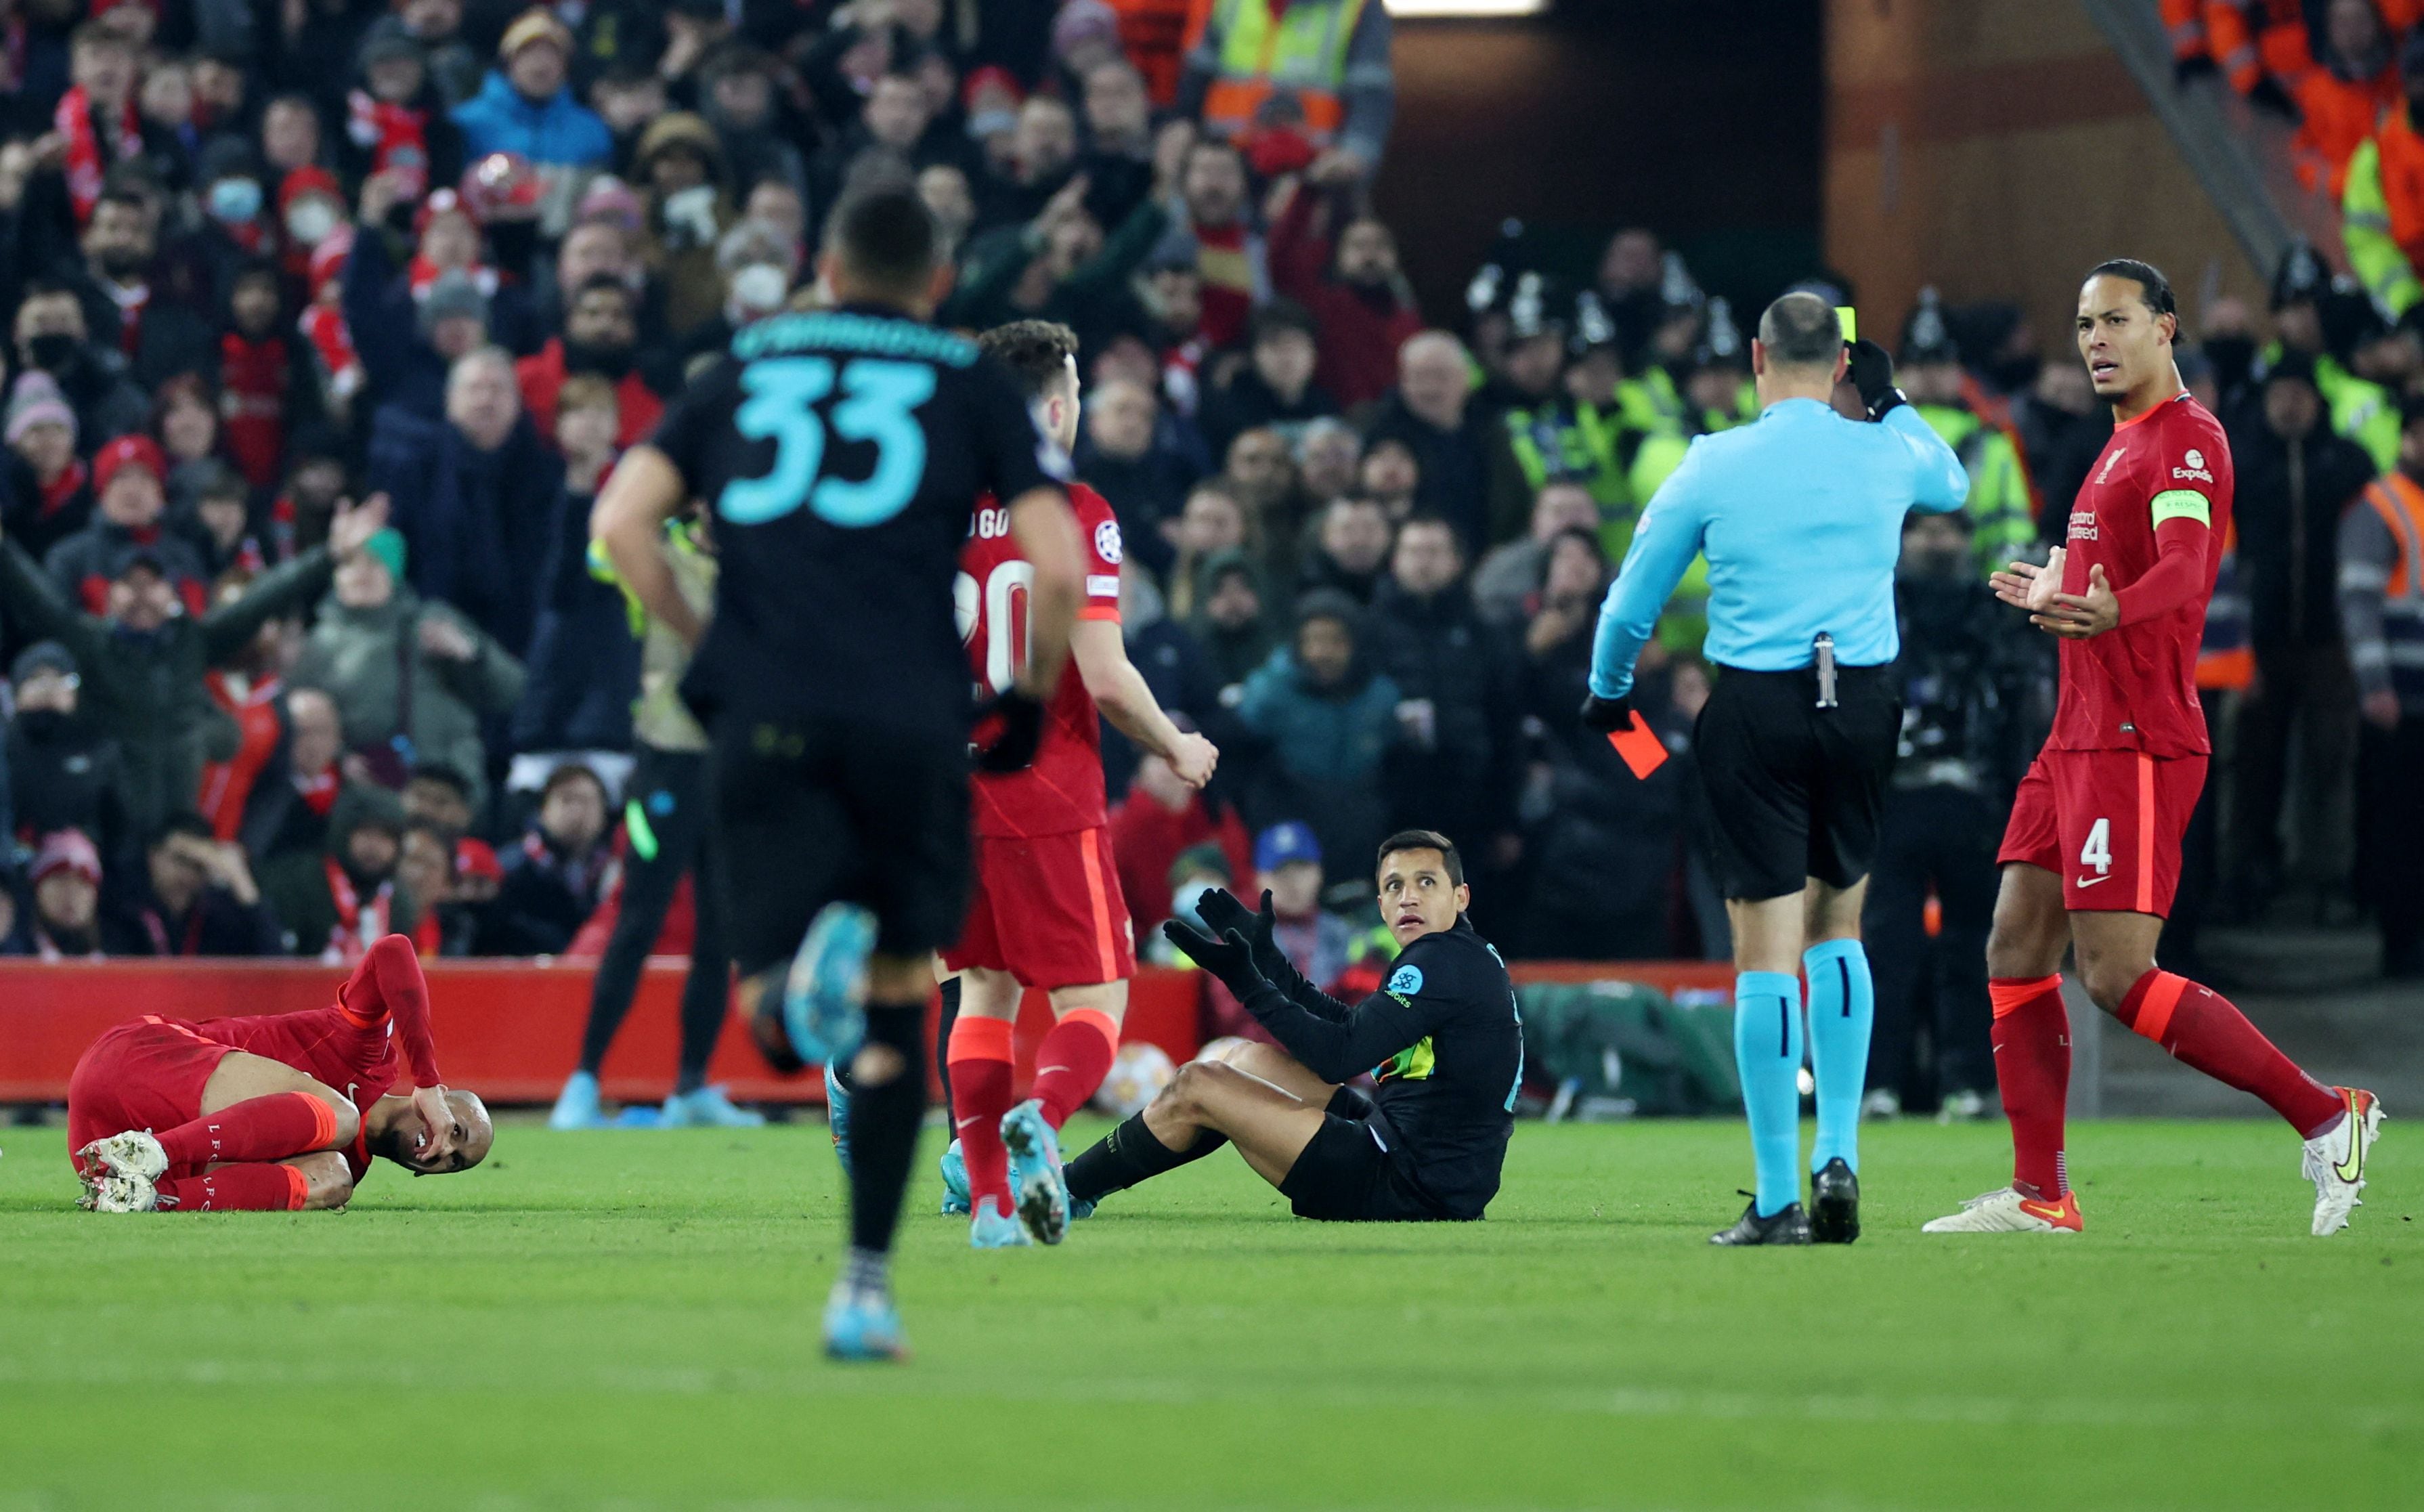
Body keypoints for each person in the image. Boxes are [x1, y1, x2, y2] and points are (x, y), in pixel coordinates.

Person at [591, 182, 1085, 1360]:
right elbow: (1055, 566)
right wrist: (1022, 701)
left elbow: (621, 526)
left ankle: (789, 992)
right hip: (911, 718)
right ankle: (864, 1288)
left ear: (822, 267)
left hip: (766, 714)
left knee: (771, 1006)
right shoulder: (965, 381)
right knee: (903, 1001)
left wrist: (713, 649)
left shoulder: (739, 370)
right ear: (938, 281)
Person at [1929, 259, 2383, 1239]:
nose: (2096, 340)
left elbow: (2184, 571)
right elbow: (2120, 572)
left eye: (2117, 320)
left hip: (2136, 738)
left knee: (2116, 975)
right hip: (2076, 737)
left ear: (2167, 329)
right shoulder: (2116, 447)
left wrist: (2105, 610)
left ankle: (2326, 1113)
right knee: (2013, 945)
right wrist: (2059, 586)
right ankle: (2042, 1193)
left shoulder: (2186, 442)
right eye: (2085, 323)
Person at [1582, 292, 1968, 1245]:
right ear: (1840, 361)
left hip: (1757, 707)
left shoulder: (1712, 461)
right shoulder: (1884, 450)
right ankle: (1839, 1151)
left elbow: (1634, 600)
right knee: (1843, 924)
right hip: (1867, 703)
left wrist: (1608, 689)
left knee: (1765, 947)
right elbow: (1953, 485)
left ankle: (1775, 1195)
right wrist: (1890, 400)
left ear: (1757, 356)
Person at [919, 319, 1219, 1249]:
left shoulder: (927, 510)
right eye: (1079, 392)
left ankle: (991, 1208)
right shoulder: (1076, 510)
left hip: (942, 794)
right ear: (1055, 407)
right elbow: (1105, 674)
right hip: (1045, 790)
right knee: (1096, 1003)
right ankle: (1041, 1122)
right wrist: (1176, 746)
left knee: (980, 996)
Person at [1059, 831, 1518, 1222]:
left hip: (1406, 1183)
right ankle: (1079, 1186)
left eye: (1426, 882)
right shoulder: (1459, 956)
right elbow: (1354, 1025)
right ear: (1380, 904)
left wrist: (1248, 985)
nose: (1408, 896)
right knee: (1239, 1056)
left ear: (1460, 896)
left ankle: (1064, 1188)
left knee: (1198, 1083)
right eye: (1395, 886)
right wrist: (1272, 964)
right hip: (1424, 1163)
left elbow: (1339, 1056)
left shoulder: (1437, 961)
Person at [550, 501, 754, 1130]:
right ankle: (582, 1082)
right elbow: (590, 557)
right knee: (638, 918)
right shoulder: (656, 551)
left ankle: (691, 1086)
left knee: (720, 936)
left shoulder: (757, 560)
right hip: (666, 760)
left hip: (730, 763)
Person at [66, 934, 492, 1212]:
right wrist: (427, 1081)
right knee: (340, 1119)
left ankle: (145, 1198)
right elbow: (393, 951)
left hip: (98, 1147)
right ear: (442, 1104)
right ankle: (154, 1151)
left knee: (333, 1180)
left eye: (456, 1162)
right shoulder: (367, 1055)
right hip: (136, 1060)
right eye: (457, 1131)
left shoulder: (345, 1166)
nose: (446, 1150)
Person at [2341, 395, 2424, 978]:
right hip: (2400, 698)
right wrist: (2375, 686)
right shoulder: (2382, 506)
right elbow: (2359, 605)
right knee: (2400, 829)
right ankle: (2400, 945)